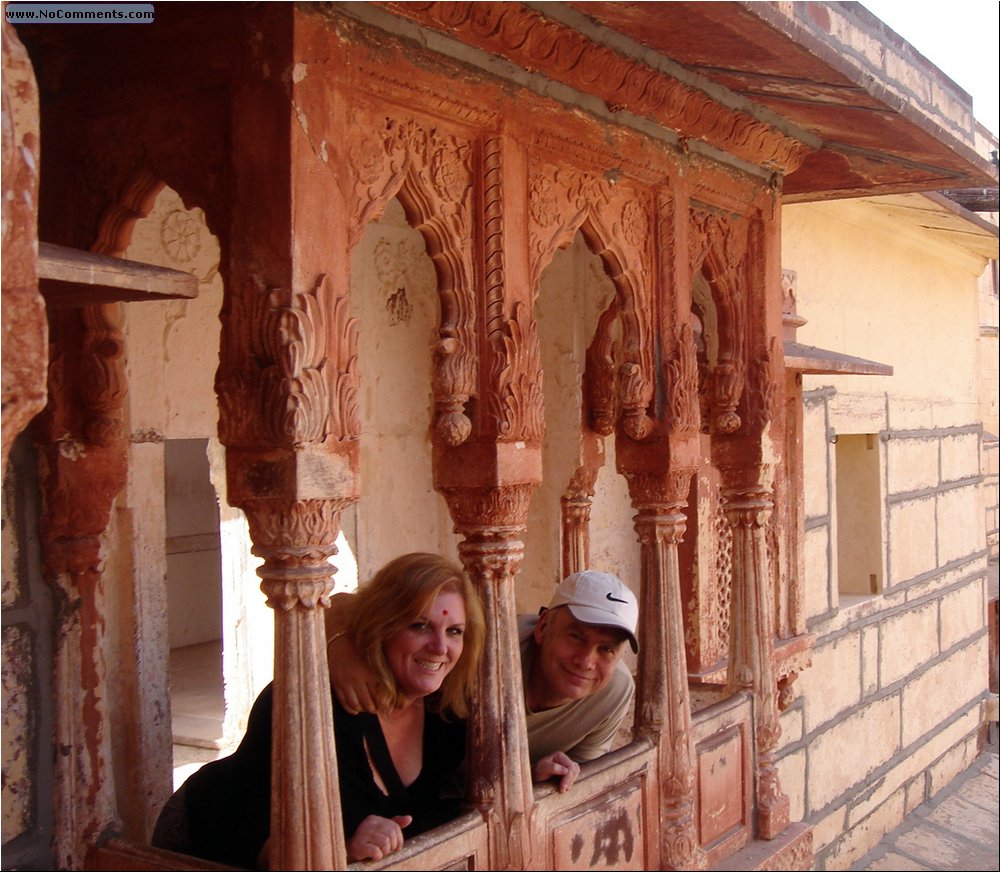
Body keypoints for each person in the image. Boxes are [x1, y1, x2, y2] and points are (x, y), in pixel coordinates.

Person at [152, 553, 486, 867]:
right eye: (419, 625)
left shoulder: (445, 709)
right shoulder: (314, 704)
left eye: (454, 631)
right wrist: (340, 849)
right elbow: (249, 840)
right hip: (207, 845)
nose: (440, 647)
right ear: (382, 626)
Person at [329, 568, 638, 794]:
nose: (586, 661)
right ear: (543, 627)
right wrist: (340, 645)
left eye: (606, 649)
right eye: (575, 637)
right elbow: (339, 604)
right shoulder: (487, 646)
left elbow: (575, 782)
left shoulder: (613, 691)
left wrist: (535, 777)